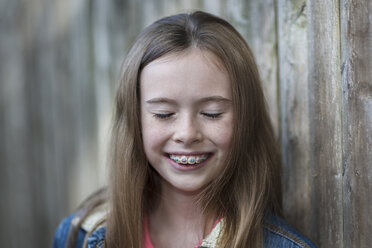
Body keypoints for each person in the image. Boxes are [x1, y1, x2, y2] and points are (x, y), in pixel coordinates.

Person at [52, 11, 317, 248]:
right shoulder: (80, 235)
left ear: (245, 119)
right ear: (135, 119)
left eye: (211, 113)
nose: (187, 133)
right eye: (164, 114)